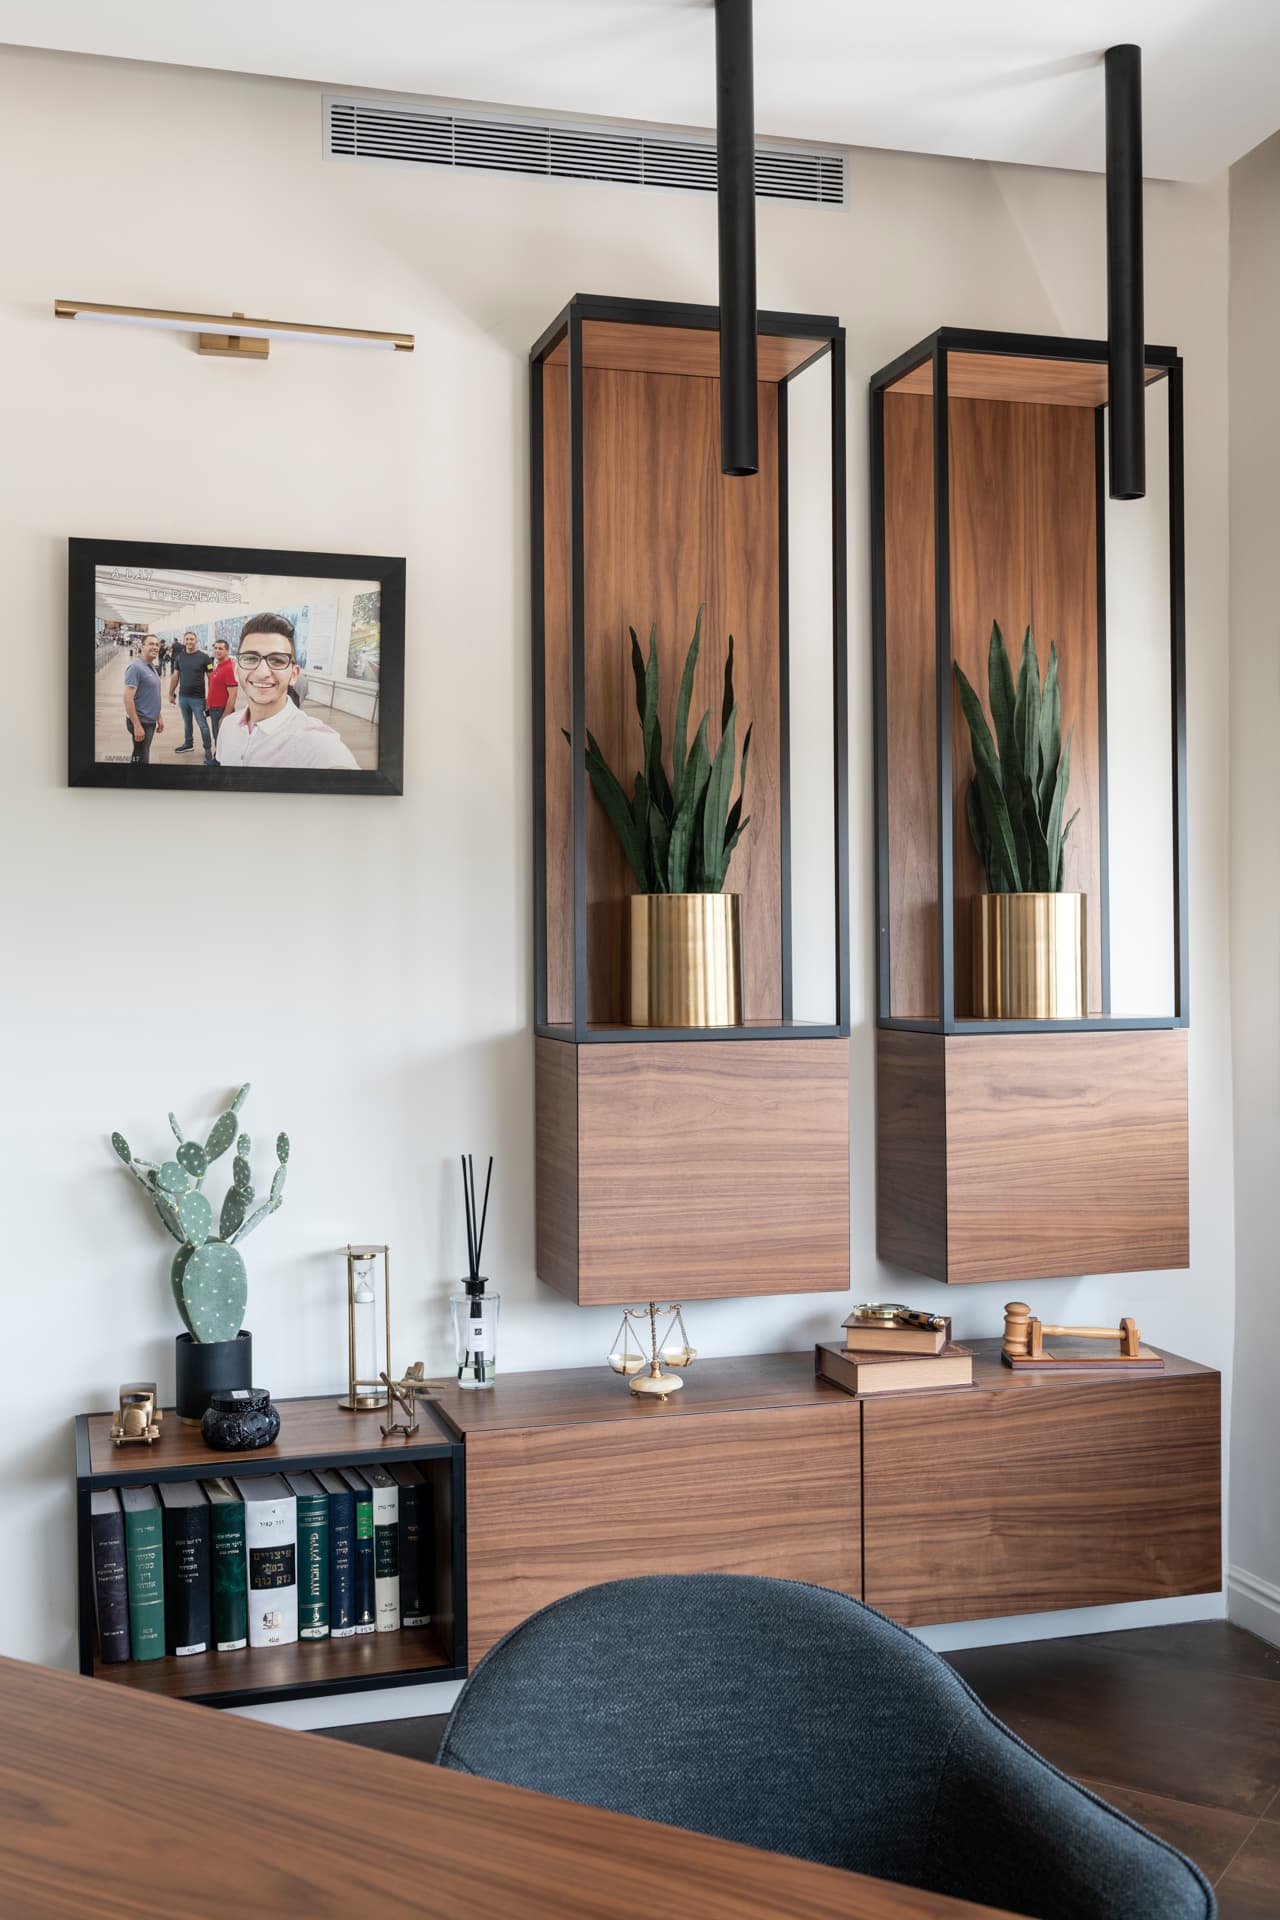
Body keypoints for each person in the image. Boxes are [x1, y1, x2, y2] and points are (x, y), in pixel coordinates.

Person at [215, 613, 359, 771]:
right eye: (250, 658)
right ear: (236, 670)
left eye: (277, 660)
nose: (262, 672)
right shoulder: (228, 726)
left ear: (294, 674)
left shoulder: (317, 743)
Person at [169, 629, 214, 764]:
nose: (189, 641)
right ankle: (188, 744)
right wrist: (171, 693)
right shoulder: (180, 657)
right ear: (184, 641)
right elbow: (175, 676)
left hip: (198, 698)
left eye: (191, 639)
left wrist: (209, 698)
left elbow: (211, 678)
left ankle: (207, 749)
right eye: (187, 639)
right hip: (183, 697)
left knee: (203, 725)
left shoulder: (204, 657)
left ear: (196, 641)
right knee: (187, 723)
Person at [122, 635, 165, 766]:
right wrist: (137, 725)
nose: (155, 647)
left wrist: (159, 716)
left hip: (150, 721)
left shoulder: (151, 667)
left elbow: (152, 695)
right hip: (141, 722)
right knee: (141, 758)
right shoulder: (136, 667)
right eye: (151, 644)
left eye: (157, 644)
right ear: (142, 647)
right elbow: (128, 698)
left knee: (140, 754)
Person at [205, 637, 239, 746]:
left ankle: (219, 761)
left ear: (227, 651)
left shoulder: (229, 668)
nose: (217, 651)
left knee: (221, 738)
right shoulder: (219, 665)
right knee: (217, 736)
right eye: (215, 648)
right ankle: (217, 758)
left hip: (221, 710)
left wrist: (225, 716)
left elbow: (233, 695)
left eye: (220, 648)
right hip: (214, 709)